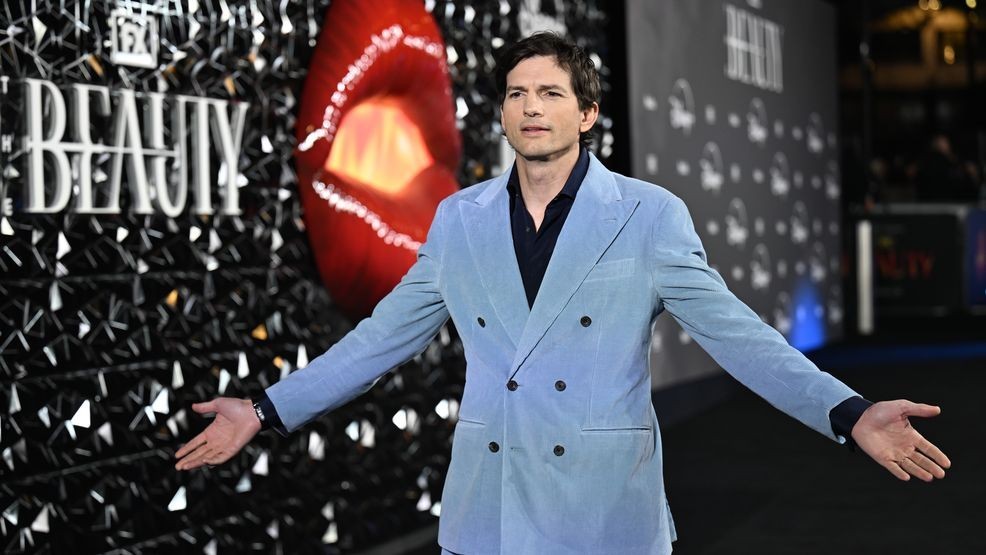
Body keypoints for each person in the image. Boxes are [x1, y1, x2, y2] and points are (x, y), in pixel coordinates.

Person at [175, 32, 950, 554]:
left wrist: (846, 411)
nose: (530, 107)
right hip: (491, 506)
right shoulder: (458, 218)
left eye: (549, 93)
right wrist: (267, 409)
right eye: (515, 93)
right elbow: (380, 339)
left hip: (603, 508)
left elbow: (737, 335)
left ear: (587, 112)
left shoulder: (648, 215)